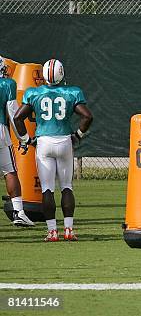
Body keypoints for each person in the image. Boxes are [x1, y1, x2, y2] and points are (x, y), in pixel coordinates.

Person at [14, 59, 93, 241]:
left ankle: (52, 231)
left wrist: (27, 140)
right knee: (66, 187)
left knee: (47, 189)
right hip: (64, 140)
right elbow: (87, 116)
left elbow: (18, 118)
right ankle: (68, 230)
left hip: (44, 142)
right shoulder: (72, 92)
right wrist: (78, 135)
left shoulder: (34, 93)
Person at [0, 56, 35, 227]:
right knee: (10, 171)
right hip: (0, 132)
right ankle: (19, 212)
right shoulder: (7, 85)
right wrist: (23, 138)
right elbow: (14, 114)